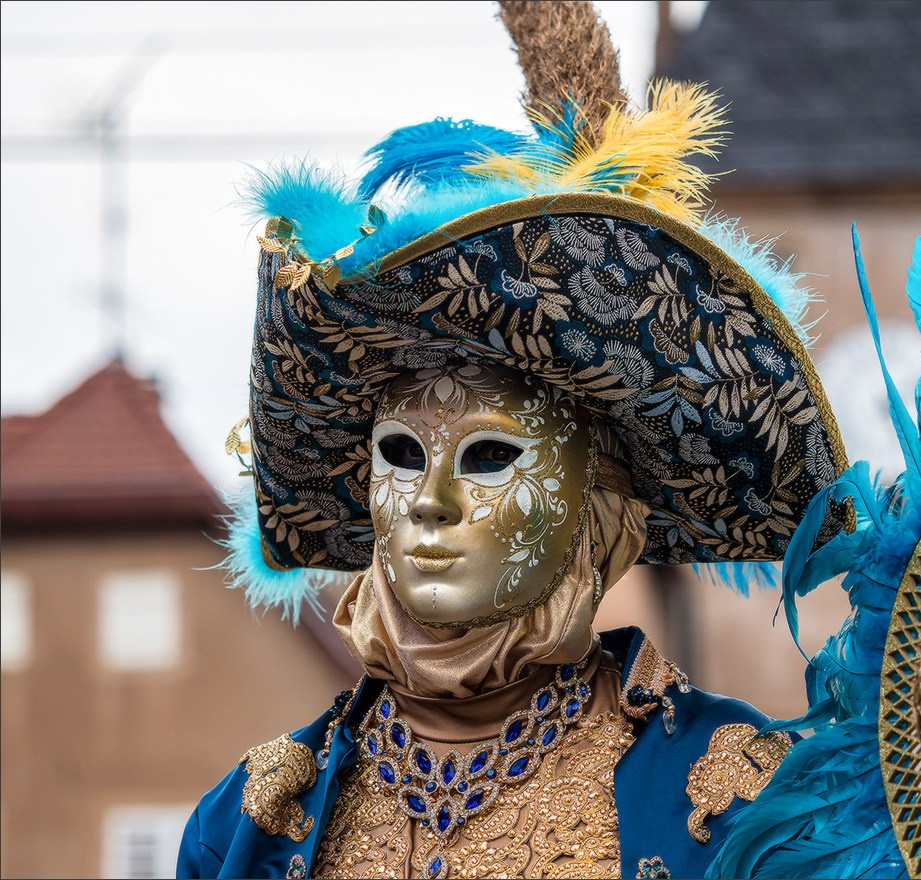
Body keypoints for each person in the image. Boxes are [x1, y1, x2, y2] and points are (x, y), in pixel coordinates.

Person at [177, 3, 848, 877]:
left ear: (603, 516)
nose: (430, 502)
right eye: (401, 453)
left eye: (491, 455)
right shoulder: (250, 823)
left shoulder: (741, 804)